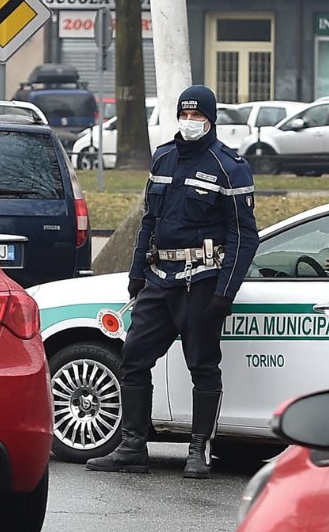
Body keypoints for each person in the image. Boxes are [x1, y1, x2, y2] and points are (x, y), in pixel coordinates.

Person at [86, 85, 259, 479]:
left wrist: (224, 292)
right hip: (158, 279)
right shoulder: (163, 157)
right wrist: (135, 272)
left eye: (198, 117)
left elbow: (243, 235)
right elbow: (150, 219)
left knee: (202, 365)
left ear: (211, 120)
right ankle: (132, 447)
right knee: (134, 357)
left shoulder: (229, 166)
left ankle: (199, 451)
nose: (190, 122)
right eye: (186, 115)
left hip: (200, 280)